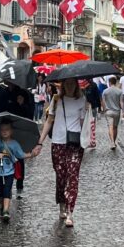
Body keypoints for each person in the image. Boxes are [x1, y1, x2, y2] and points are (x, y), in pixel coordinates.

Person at [34, 77, 90, 227]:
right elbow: (49, 121)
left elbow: (83, 123)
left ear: (76, 85)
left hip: (75, 143)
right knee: (61, 176)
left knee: (73, 176)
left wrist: (86, 138)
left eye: (73, 83)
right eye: (68, 83)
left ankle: (70, 212)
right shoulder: (56, 99)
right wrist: (40, 142)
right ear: (64, 85)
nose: (71, 86)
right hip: (58, 142)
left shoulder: (81, 99)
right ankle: (62, 206)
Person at [0, 119, 36, 223]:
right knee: (1, 190)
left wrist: (31, 154)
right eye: (2, 130)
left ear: (11, 131)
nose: (4, 132)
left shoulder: (14, 144)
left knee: (7, 189)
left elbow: (21, 155)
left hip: (10, 171)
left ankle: (6, 210)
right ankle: (2, 204)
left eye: (7, 129)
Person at [101, 75, 123, 150]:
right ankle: (114, 141)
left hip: (108, 111)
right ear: (116, 82)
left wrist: (104, 109)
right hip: (117, 111)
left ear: (110, 82)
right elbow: (121, 102)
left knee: (110, 126)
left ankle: (112, 142)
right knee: (115, 127)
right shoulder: (119, 91)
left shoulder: (105, 91)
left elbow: (103, 102)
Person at [83, 80, 101, 149]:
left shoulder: (82, 85)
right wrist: (99, 107)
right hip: (93, 106)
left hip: (84, 107)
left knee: (84, 124)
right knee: (92, 124)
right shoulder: (94, 84)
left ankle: (86, 139)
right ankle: (91, 140)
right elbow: (97, 96)